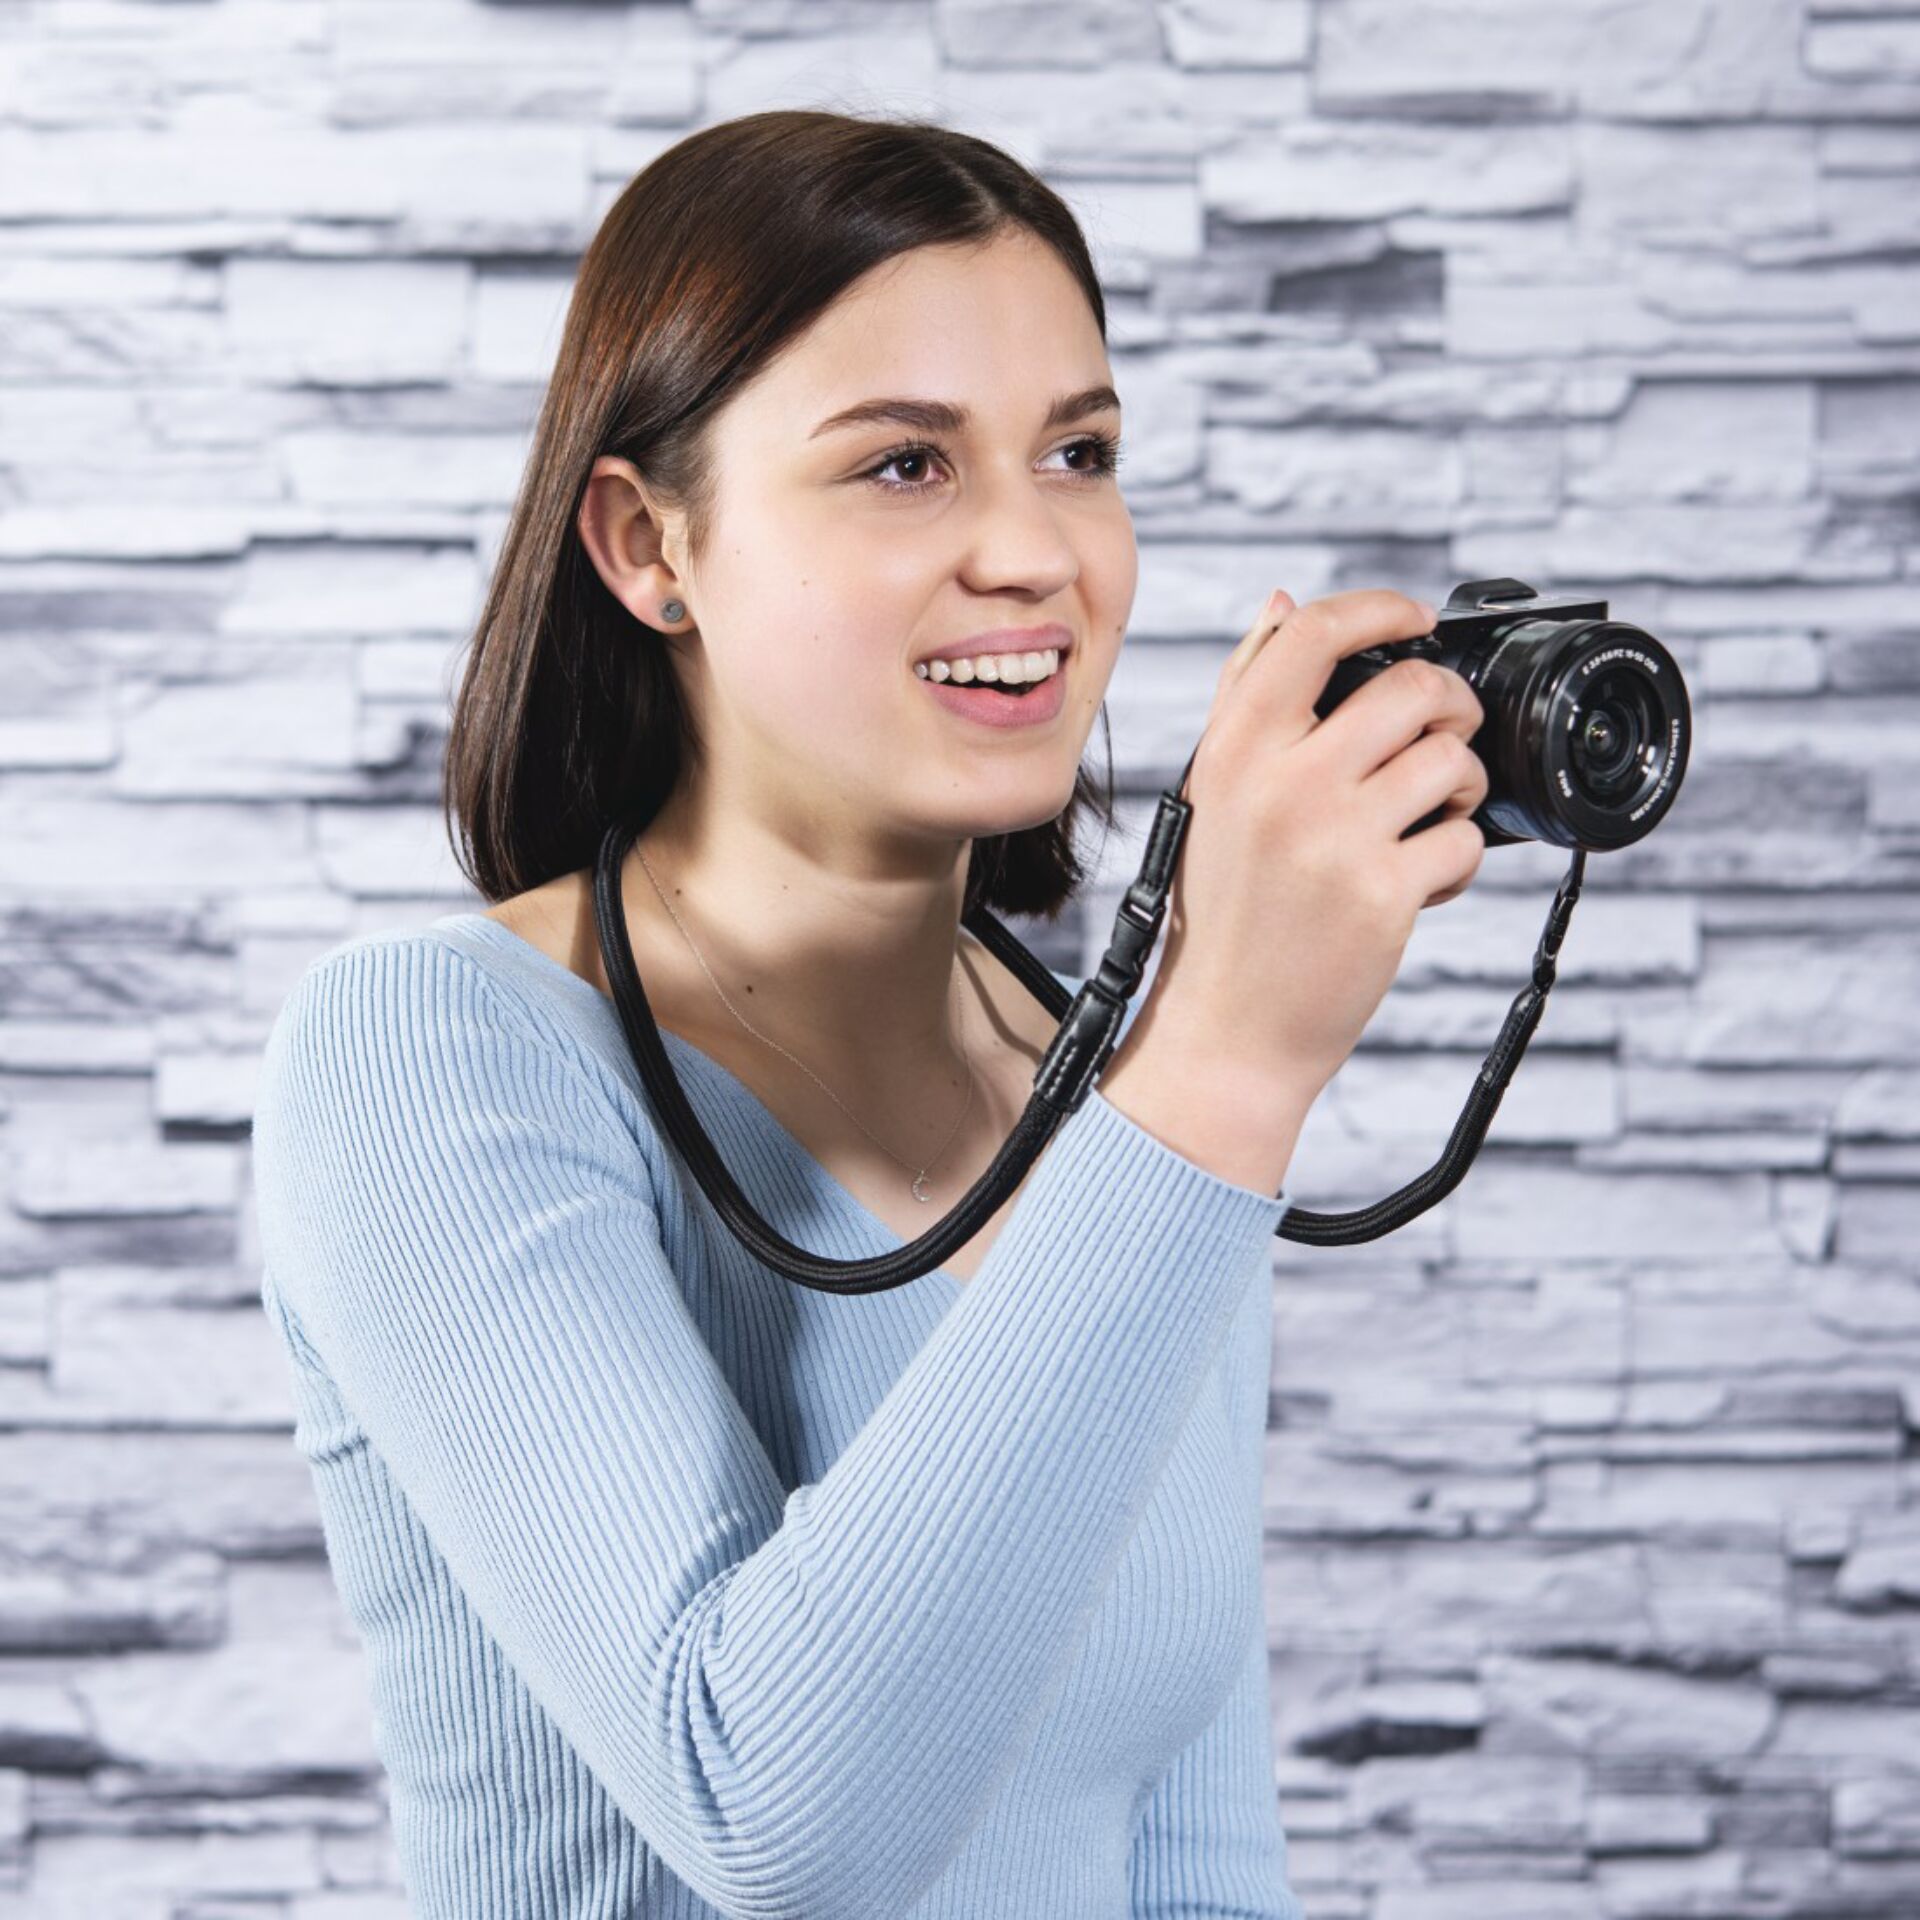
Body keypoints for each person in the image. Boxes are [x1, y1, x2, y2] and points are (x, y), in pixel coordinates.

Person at [250, 108, 1488, 1920]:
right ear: (646, 544)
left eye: (1079, 451)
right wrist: (1222, 1059)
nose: (1034, 554)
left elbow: (1196, 1850)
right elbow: (776, 1821)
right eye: (906, 467)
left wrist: (1179, 1087)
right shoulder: (434, 1061)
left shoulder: (1107, 1102)